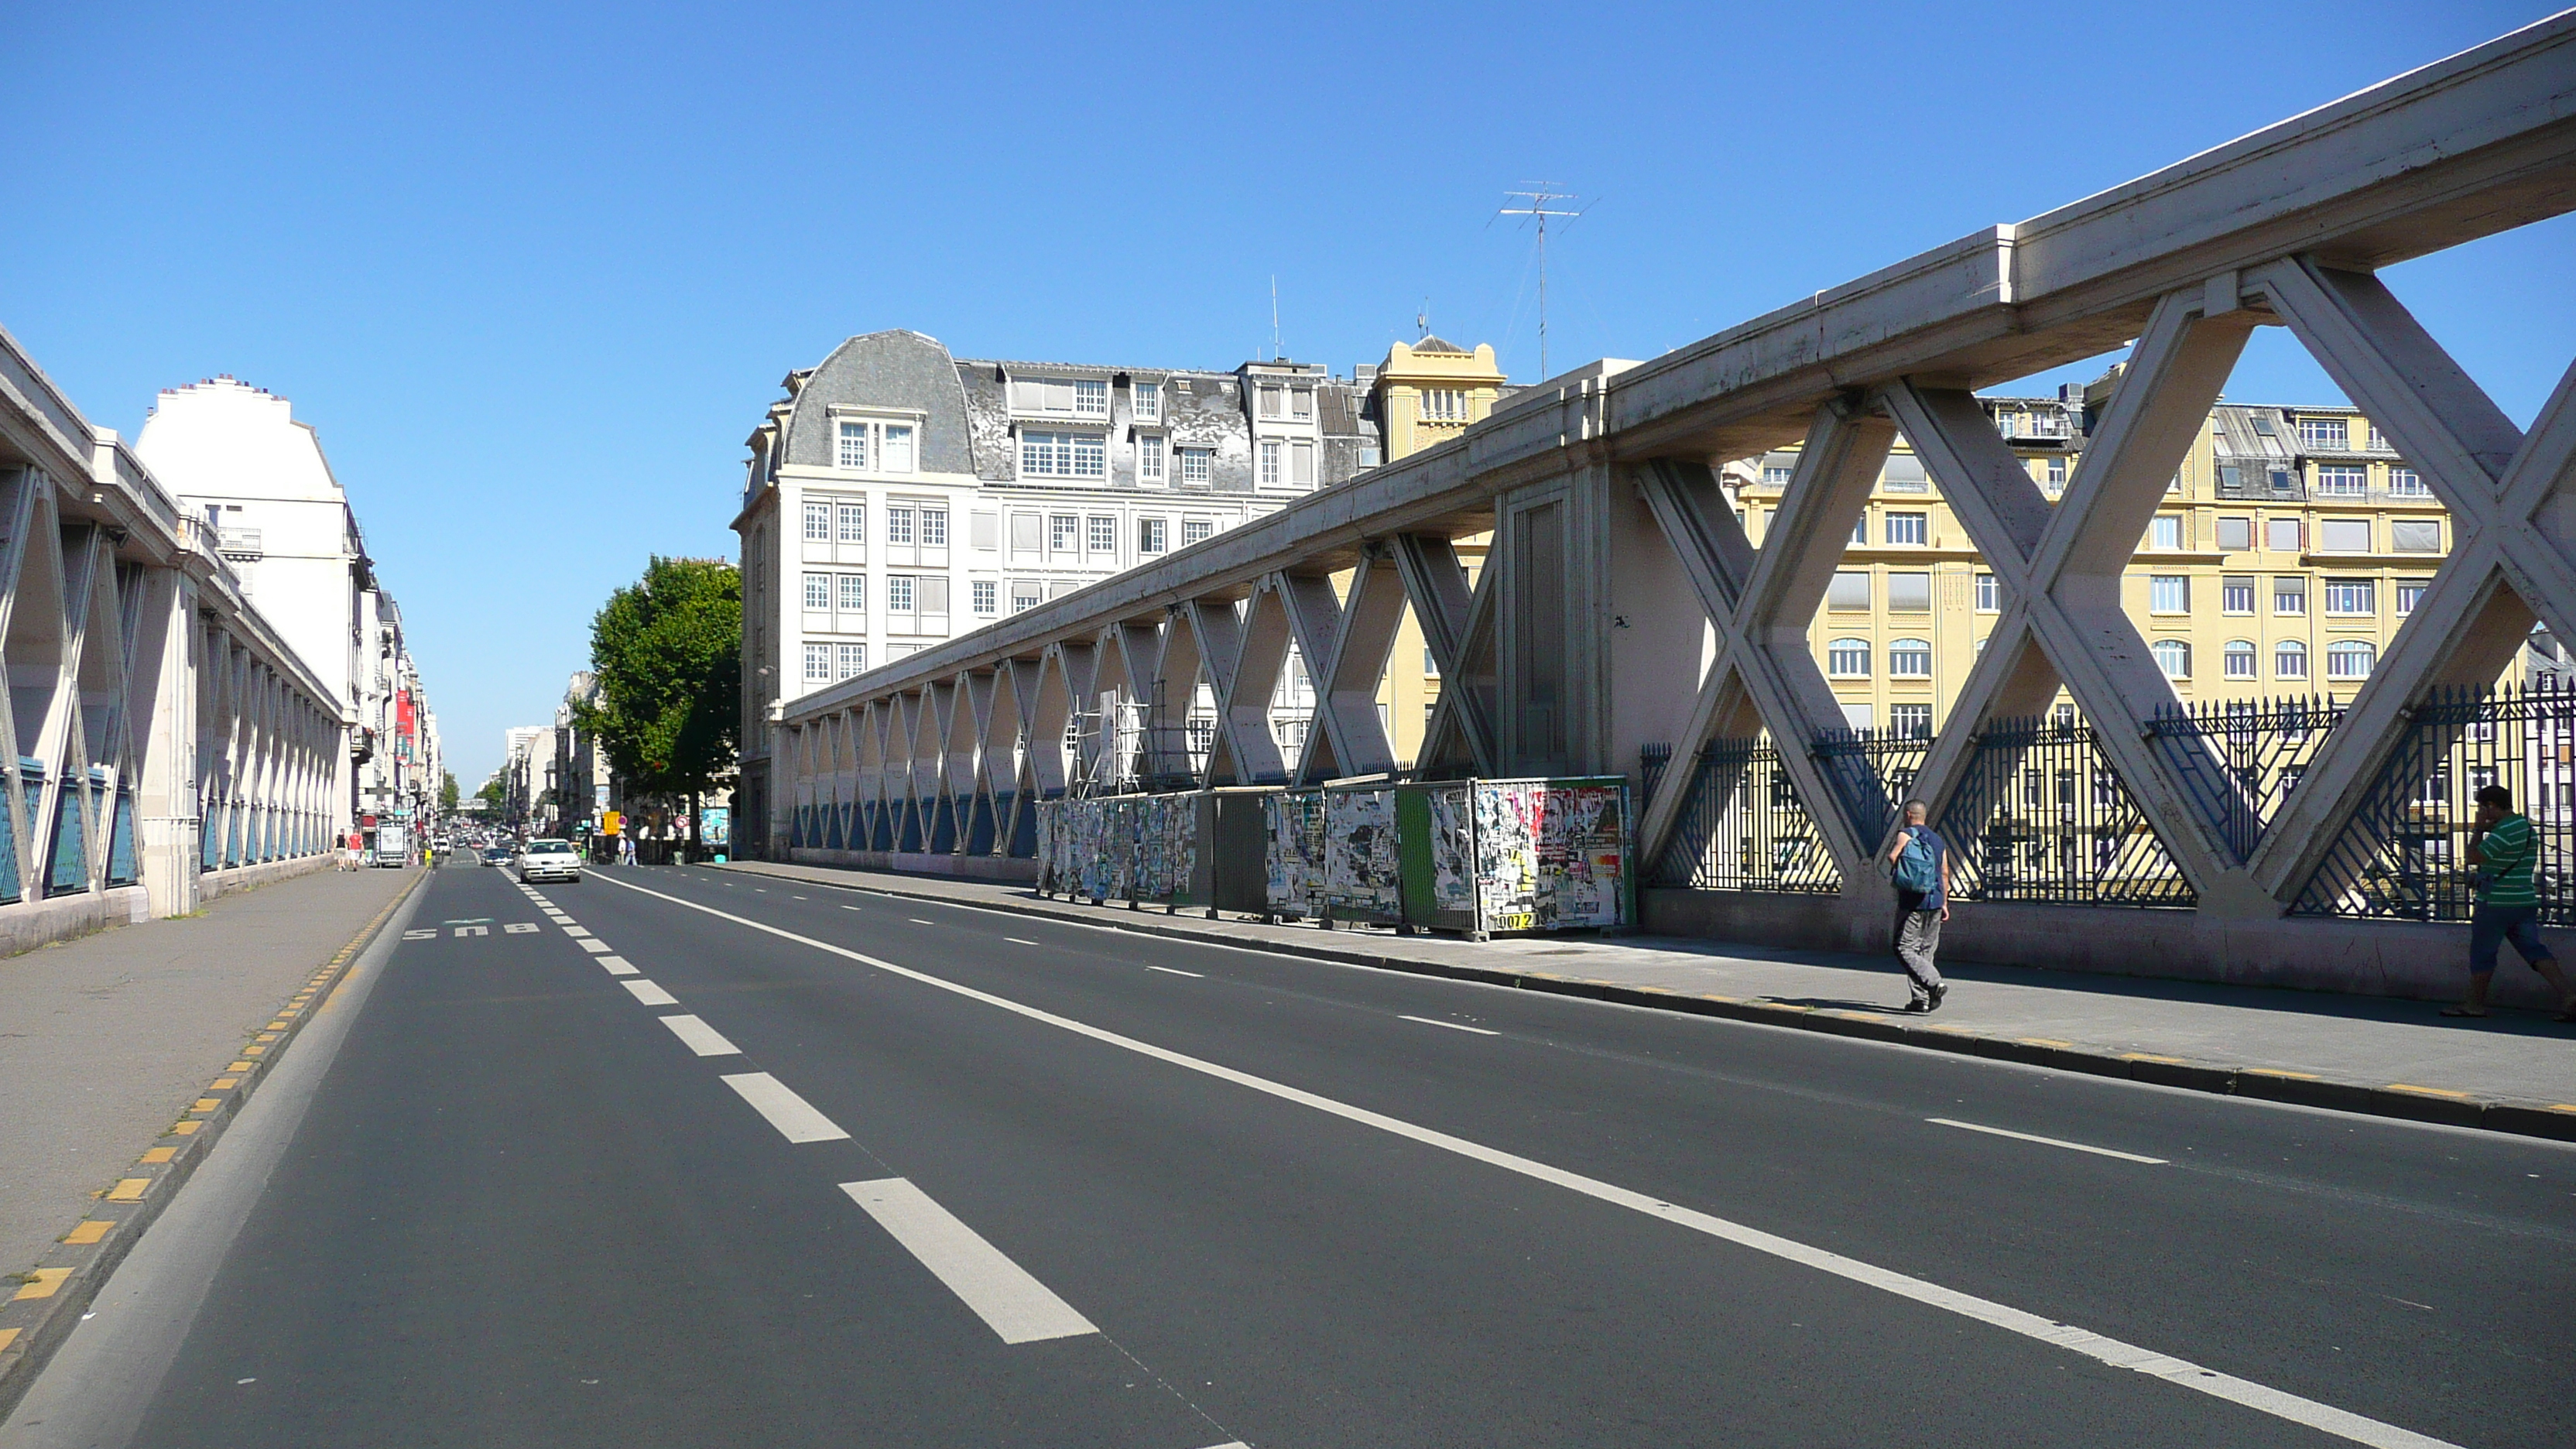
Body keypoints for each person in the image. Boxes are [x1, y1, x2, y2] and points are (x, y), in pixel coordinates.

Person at [2446, 784, 2576, 1021]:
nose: (2481, 812)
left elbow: (2473, 857)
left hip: (2495, 904)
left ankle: (2474, 1004)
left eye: (2482, 807)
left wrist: (2477, 830)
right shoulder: (2525, 827)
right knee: (2534, 950)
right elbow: (2505, 862)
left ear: (2491, 806)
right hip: (2524, 900)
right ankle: (2569, 997)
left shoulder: (2503, 831)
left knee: (2483, 954)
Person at [1884, 800, 1951, 1013]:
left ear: (1908, 814)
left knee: (1903, 947)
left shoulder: (1906, 834)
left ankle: (1933, 983)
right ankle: (1921, 1000)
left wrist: (1906, 877)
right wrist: (1945, 903)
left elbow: (1893, 856)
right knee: (1925, 951)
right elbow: (1944, 873)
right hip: (1936, 901)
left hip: (1913, 901)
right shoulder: (1938, 840)